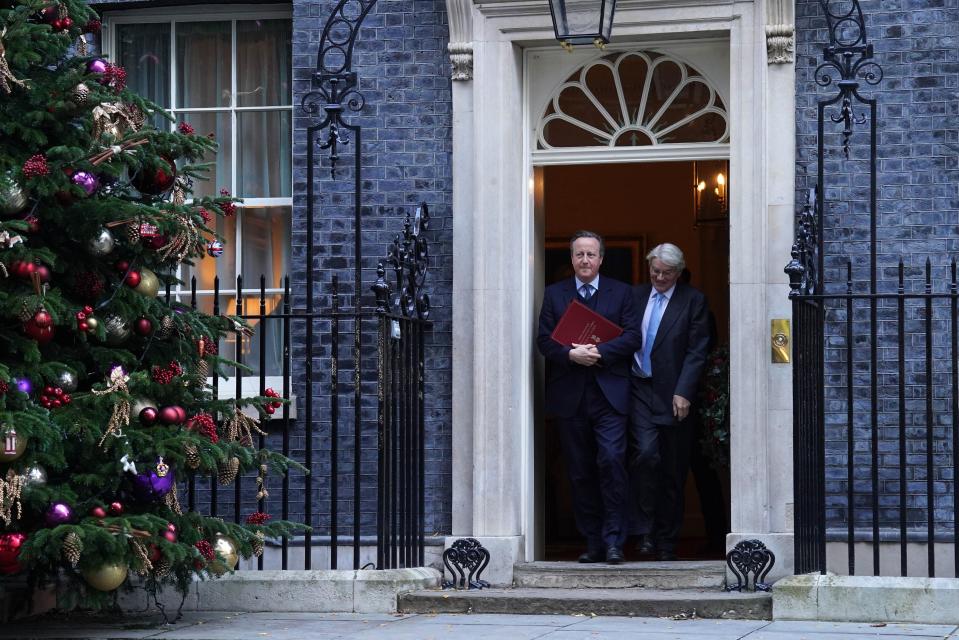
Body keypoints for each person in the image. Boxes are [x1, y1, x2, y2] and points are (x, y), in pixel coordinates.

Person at [537, 230, 642, 564]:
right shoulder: (554, 295)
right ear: (572, 259)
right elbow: (544, 341)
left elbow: (633, 337)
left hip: (610, 396)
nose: (585, 260)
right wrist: (570, 355)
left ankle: (614, 541)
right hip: (571, 397)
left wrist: (599, 351)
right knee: (580, 471)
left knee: (611, 462)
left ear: (601, 259)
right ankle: (593, 542)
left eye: (591, 254)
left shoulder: (622, 293)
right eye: (579, 254)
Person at [628, 243, 710, 561]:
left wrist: (684, 390)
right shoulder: (634, 297)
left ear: (678, 272)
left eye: (666, 273)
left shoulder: (693, 301)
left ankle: (667, 541)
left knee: (673, 470)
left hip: (674, 395)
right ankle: (644, 531)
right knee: (646, 457)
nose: (659, 277)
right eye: (655, 271)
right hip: (639, 389)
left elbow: (697, 349)